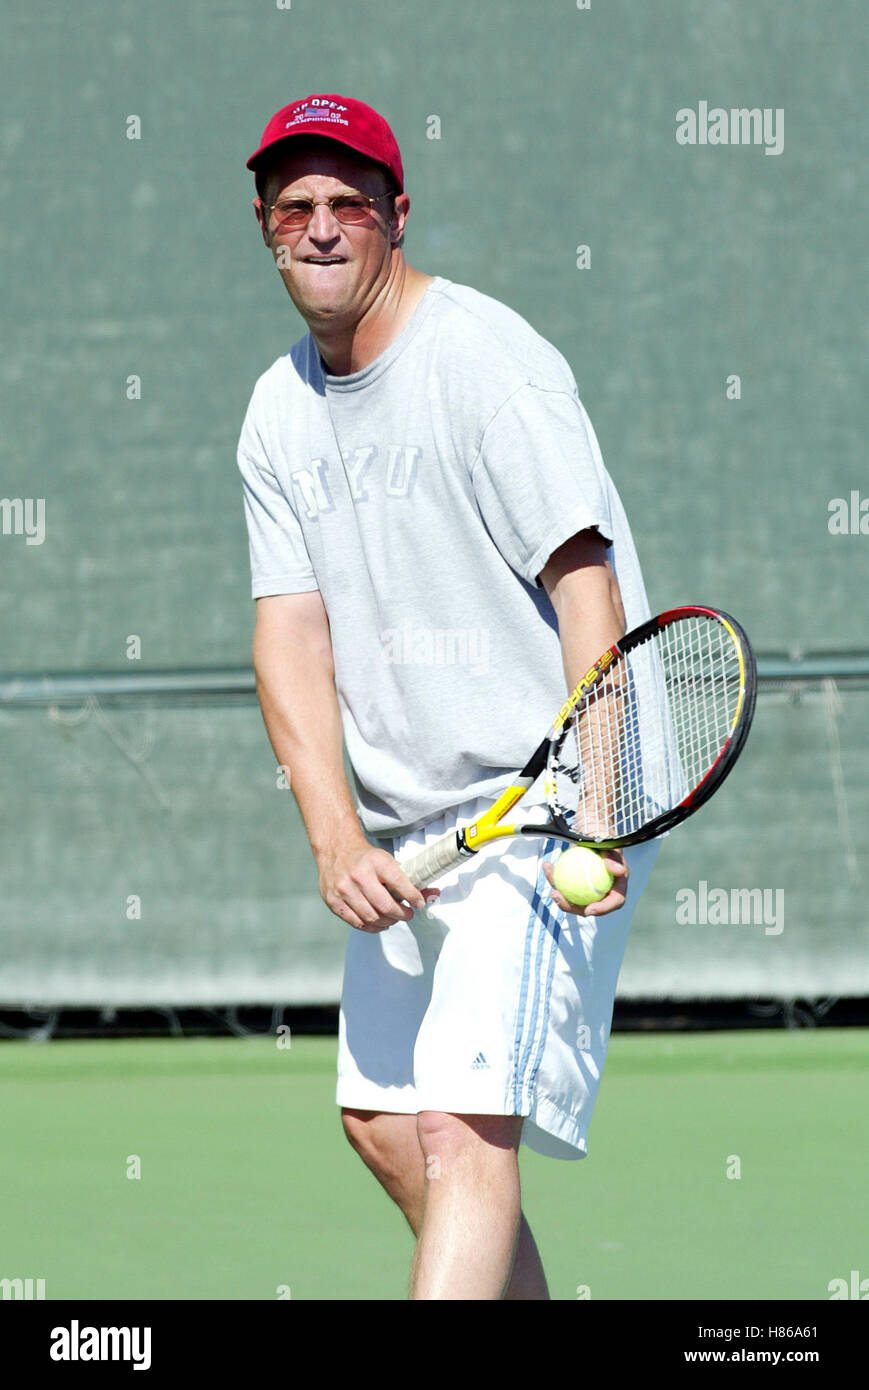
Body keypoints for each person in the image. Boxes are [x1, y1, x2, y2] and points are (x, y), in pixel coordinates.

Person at [237, 93, 660, 1300]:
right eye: (296, 206)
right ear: (265, 225)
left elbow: (588, 589)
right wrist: (332, 834)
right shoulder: (278, 413)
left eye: (348, 205)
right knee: (382, 1124)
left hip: (546, 808)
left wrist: (601, 798)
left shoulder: (485, 364)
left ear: (395, 217)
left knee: (460, 1132)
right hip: (417, 826)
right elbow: (290, 633)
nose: (321, 229)